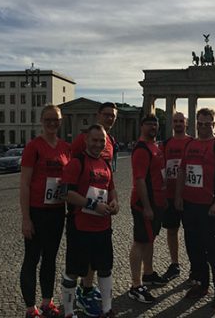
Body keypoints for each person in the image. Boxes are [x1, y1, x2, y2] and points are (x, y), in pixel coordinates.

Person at [175, 108, 215, 310]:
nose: (204, 127)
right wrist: (179, 196)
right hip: (190, 206)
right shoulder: (190, 144)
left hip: (210, 208)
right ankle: (201, 284)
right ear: (196, 124)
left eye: (208, 123)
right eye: (200, 123)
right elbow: (183, 170)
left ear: (213, 125)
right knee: (194, 249)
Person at [60, 124, 119, 318]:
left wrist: (115, 203)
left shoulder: (105, 163)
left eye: (102, 140)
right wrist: (93, 205)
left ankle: (107, 308)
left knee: (104, 268)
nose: (98, 144)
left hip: (103, 226)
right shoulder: (77, 162)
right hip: (81, 226)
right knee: (74, 270)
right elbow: (66, 193)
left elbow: (111, 189)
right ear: (86, 140)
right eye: (94, 140)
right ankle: (68, 312)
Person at [20, 104, 71, 318]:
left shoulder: (65, 147)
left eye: (56, 119)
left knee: (50, 258)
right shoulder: (34, 147)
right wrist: (26, 219)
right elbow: (25, 184)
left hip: (57, 211)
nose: (52, 123)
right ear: (42, 121)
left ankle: (47, 302)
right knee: (32, 258)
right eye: (48, 119)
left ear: (60, 121)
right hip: (37, 211)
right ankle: (31, 308)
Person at [128, 114, 168, 304]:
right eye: (149, 124)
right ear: (141, 126)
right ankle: (135, 286)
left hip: (157, 202)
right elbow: (140, 180)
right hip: (145, 204)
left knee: (150, 239)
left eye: (155, 124)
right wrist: (146, 206)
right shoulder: (142, 149)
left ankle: (149, 273)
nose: (153, 127)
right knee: (140, 241)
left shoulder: (155, 146)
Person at [159, 112, 193, 281]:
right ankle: (175, 264)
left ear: (186, 123)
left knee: (192, 232)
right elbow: (161, 169)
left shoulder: (192, 143)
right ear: (171, 124)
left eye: (181, 121)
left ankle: (195, 266)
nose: (178, 123)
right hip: (170, 195)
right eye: (175, 121)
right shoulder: (165, 144)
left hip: (189, 195)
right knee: (172, 230)